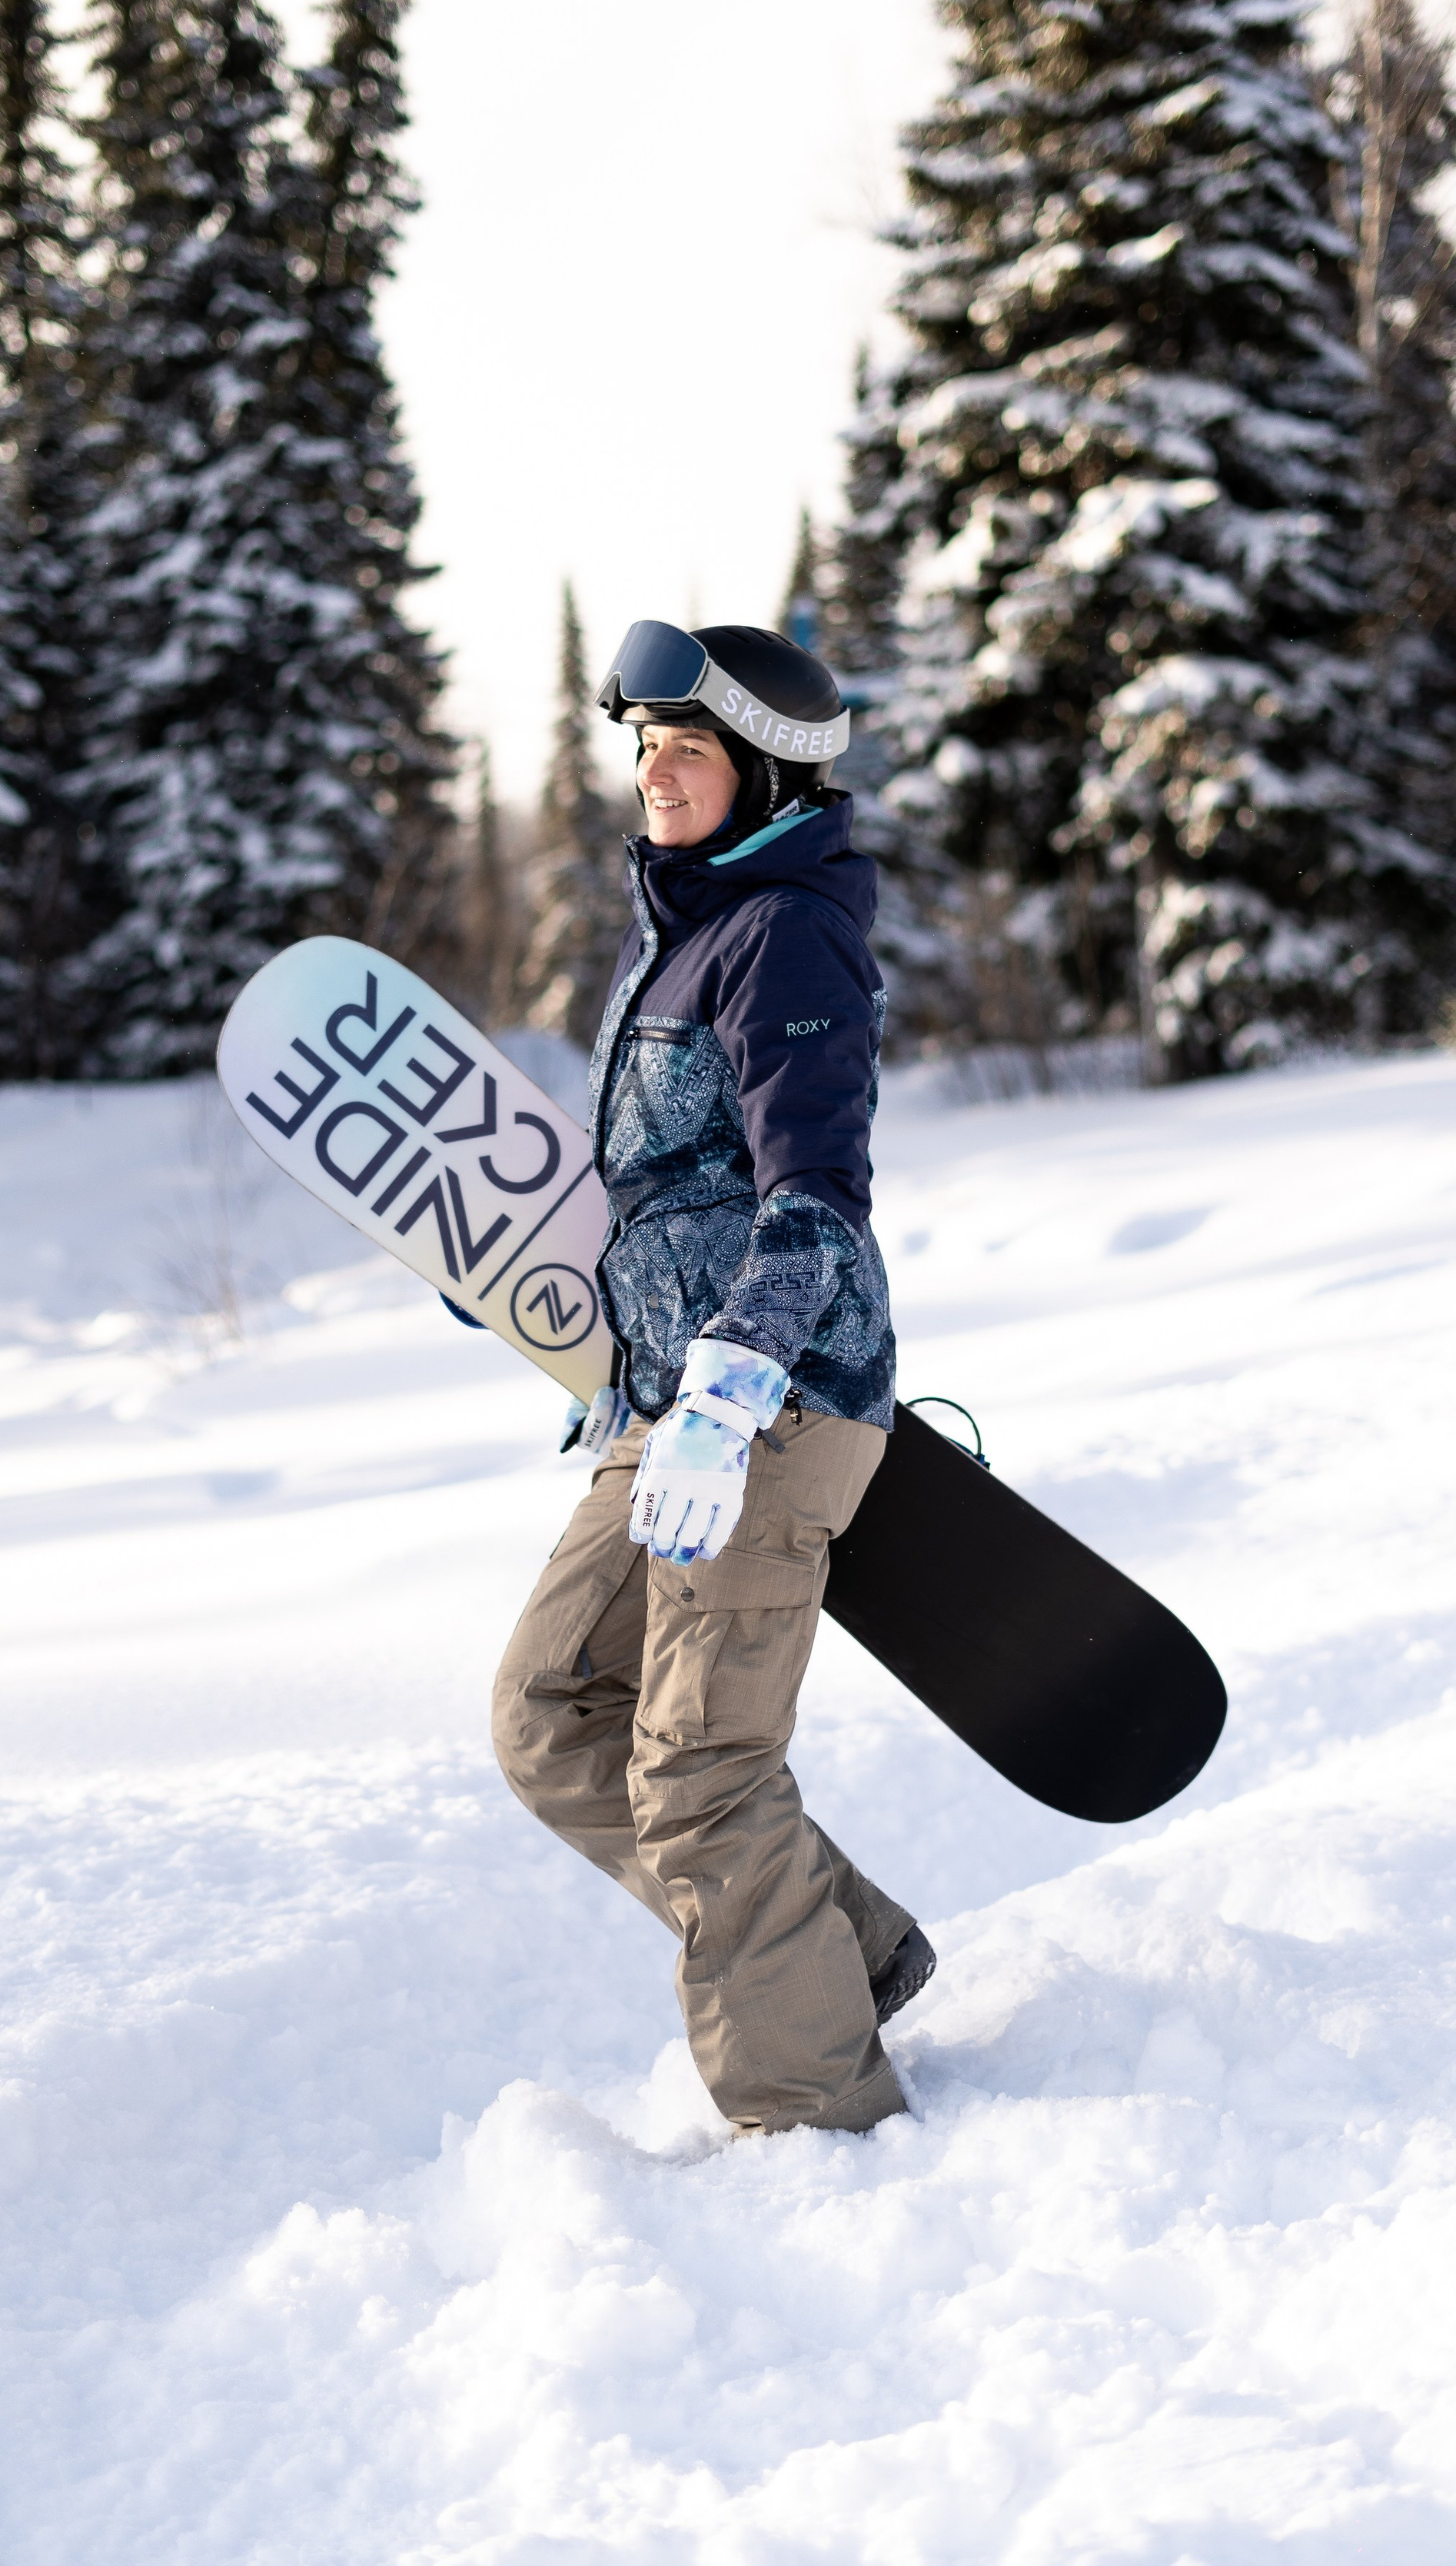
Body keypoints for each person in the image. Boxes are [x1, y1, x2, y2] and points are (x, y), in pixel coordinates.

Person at [491, 620, 936, 2138]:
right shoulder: (681, 930)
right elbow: (670, 1190)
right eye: (643, 748)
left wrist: (736, 1387)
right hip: (663, 1406)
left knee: (695, 1768)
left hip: (772, 1402)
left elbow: (814, 1192)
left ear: (764, 772)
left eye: (686, 750)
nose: (654, 774)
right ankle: (838, 1955)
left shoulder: (783, 932)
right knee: (553, 1715)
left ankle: (817, 2127)